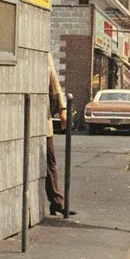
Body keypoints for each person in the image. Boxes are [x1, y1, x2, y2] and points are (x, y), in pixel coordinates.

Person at [46, 53, 76, 216]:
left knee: (50, 160)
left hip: (44, 117)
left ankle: (56, 202)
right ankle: (56, 201)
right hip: (33, 115)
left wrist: (63, 108)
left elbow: (54, 81)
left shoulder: (45, 52)